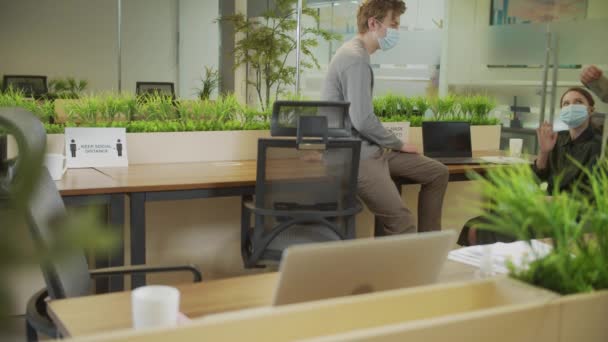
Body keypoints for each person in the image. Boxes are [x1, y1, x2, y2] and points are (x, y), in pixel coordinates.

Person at [322, 0, 449, 235]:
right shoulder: (354, 58)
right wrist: (400, 144)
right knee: (403, 224)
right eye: (394, 24)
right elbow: (361, 120)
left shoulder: (359, 54)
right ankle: (406, 266)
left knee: (437, 173)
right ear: (374, 23)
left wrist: (391, 144)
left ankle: (429, 246)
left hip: (373, 151)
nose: (397, 31)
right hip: (355, 157)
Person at [459, 87, 603, 246]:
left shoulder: (600, 146)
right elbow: (537, 177)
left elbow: (590, 198)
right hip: (546, 207)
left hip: (573, 214)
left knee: (490, 229)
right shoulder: (559, 139)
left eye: (578, 102)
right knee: (474, 226)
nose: (571, 107)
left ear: (590, 110)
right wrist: (544, 151)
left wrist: (548, 201)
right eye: (566, 103)